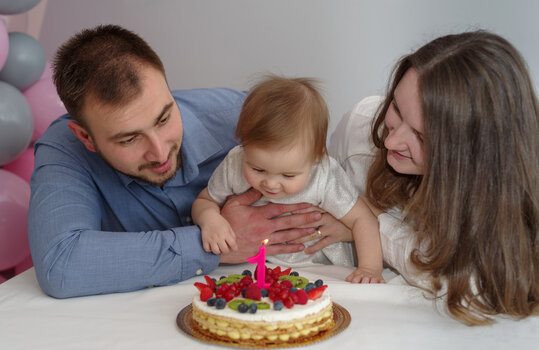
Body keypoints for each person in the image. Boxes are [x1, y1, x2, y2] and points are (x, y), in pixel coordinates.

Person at [27, 25, 321, 299]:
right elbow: (62, 264)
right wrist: (215, 245)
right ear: (86, 137)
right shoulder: (64, 149)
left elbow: (326, 185)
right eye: (129, 139)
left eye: (164, 118)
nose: (159, 152)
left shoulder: (246, 118)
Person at [318, 30, 538, 325]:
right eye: (396, 107)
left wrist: (368, 223)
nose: (390, 142)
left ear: (473, 159)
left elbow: (474, 287)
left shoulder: (503, 204)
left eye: (421, 137)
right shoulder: (361, 128)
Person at [192, 75, 384, 283]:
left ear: (315, 158)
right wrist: (211, 220)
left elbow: (362, 219)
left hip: (318, 266)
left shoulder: (324, 175)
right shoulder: (235, 163)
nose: (271, 184)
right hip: (252, 264)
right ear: (243, 146)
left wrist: (370, 268)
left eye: (288, 175)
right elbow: (205, 201)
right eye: (257, 169)